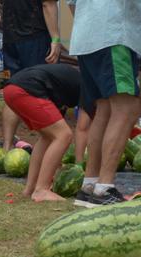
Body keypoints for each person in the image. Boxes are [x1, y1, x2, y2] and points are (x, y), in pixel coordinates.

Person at [68, 0, 141, 207]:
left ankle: (90, 185)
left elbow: (71, 3)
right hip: (115, 35)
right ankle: (104, 188)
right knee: (126, 108)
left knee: (104, 109)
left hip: (86, 37)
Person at [2, 62, 81, 201]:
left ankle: (30, 189)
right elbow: (84, 128)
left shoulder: (69, 84)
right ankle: (42, 190)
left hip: (11, 90)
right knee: (64, 135)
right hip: (25, 90)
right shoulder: (91, 90)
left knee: (48, 137)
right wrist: (80, 165)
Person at [0, 0, 59, 152]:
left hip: (10, 38)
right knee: (40, 91)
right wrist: (56, 39)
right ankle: (47, 145)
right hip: (35, 36)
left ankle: (7, 145)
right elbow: (48, 4)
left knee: (13, 90)